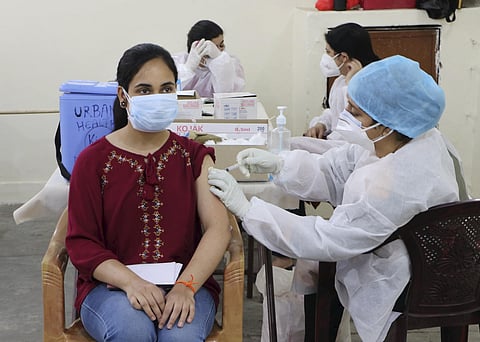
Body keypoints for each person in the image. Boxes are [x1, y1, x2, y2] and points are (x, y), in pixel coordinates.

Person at [207, 55, 460, 342]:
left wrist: (248, 210)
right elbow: (338, 166)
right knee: (313, 269)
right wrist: (281, 165)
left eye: (357, 113)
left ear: (387, 121)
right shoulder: (415, 138)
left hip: (406, 276)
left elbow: (327, 239)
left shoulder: (396, 180)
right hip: (429, 255)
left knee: (315, 265)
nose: (348, 119)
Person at [65, 43, 232, 342]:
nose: (157, 97)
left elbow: (217, 229)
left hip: (186, 283)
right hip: (111, 287)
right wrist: (132, 282)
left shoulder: (193, 157)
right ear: (123, 96)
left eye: (166, 88)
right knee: (132, 332)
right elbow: (82, 243)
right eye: (144, 90)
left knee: (179, 337)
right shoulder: (93, 161)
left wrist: (186, 286)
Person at [304, 22, 379, 139]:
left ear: (343, 57)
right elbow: (335, 112)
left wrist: (351, 85)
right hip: (337, 144)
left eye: (328, 52)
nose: (326, 57)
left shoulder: (372, 84)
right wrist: (322, 124)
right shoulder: (341, 80)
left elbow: (353, 124)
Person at [172, 19, 246, 98]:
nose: (219, 50)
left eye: (221, 45)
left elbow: (228, 95)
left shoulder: (230, 64)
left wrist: (219, 61)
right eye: (212, 48)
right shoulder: (176, 62)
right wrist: (188, 69)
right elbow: (170, 93)